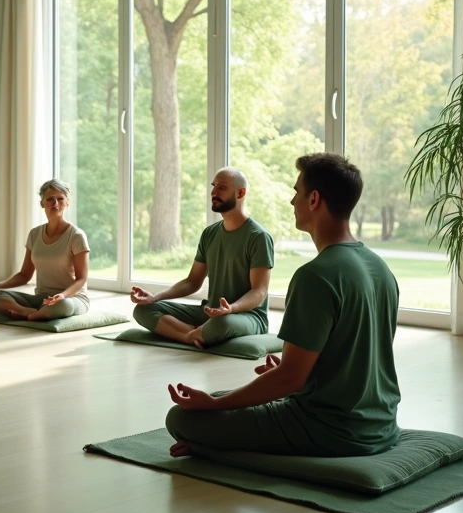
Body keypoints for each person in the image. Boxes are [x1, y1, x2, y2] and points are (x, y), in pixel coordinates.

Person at [166, 154, 401, 458]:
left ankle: (215, 446)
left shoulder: (316, 276)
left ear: (314, 199)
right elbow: (358, 360)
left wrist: (213, 406)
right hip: (381, 425)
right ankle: (216, 435)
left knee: (184, 416)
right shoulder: (380, 268)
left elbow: (290, 379)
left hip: (330, 430)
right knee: (222, 398)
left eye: (296, 192)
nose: (292, 201)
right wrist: (298, 371)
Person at [131, 167, 274, 348]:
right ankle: (191, 336)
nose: (214, 192)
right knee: (143, 310)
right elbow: (192, 282)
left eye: (222, 188)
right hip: (209, 312)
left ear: (240, 193)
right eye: (214, 186)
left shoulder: (258, 237)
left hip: (247, 316)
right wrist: (155, 298)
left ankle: (192, 332)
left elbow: (259, 292)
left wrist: (231, 309)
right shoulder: (210, 233)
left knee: (221, 324)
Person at [0, 179, 90, 321]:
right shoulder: (35, 234)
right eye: (50, 199)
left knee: (62, 305)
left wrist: (62, 295)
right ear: (42, 203)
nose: (55, 204)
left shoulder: (76, 236)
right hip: (42, 299)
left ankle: (31, 315)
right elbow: (24, 275)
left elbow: (82, 279)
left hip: (71, 298)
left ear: (67, 202)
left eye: (60, 199)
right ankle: (29, 312)